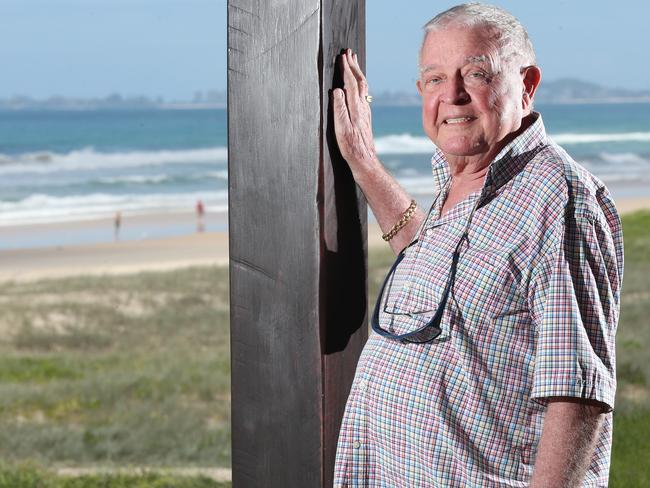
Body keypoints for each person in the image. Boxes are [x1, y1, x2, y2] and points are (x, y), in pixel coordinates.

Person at [331, 4, 623, 487]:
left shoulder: (559, 198)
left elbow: (578, 395)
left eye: (476, 74)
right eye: (434, 79)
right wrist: (363, 162)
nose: (454, 96)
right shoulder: (462, 179)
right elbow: (435, 266)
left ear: (527, 85)